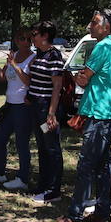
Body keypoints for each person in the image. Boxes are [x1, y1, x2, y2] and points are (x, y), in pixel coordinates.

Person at [44, 9, 111, 222]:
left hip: (100, 115)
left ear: (106, 27)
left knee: (86, 167)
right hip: (106, 114)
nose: (90, 25)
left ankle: (74, 217)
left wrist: (82, 77)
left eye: (95, 22)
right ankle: (102, 213)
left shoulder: (103, 46)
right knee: (103, 166)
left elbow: (83, 78)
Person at [0, 26, 35, 190]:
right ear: (16, 40)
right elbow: (2, 78)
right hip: (10, 105)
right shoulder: (14, 55)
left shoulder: (33, 58)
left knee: (21, 143)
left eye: (28, 39)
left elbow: (28, 82)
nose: (25, 42)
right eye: (22, 38)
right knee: (0, 139)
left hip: (23, 107)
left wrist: (15, 65)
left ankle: (23, 178)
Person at [28, 20, 66, 203]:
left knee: (51, 147)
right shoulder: (40, 53)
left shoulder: (54, 56)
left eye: (35, 34)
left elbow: (57, 86)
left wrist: (51, 113)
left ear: (45, 36)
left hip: (46, 108)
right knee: (42, 146)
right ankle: (43, 184)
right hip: (36, 106)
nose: (32, 37)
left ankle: (53, 189)